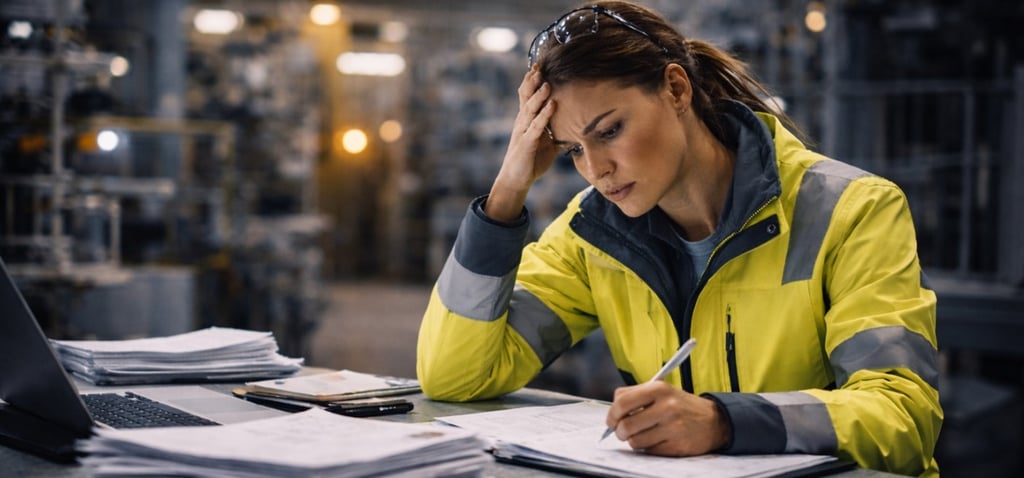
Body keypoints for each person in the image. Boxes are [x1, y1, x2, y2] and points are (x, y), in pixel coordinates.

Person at [415, 1, 942, 476]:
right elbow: (455, 378)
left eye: (609, 130)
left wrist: (723, 423)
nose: (595, 168)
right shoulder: (593, 234)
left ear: (676, 89)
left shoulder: (851, 210)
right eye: (572, 148)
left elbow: (902, 418)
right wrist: (507, 191)